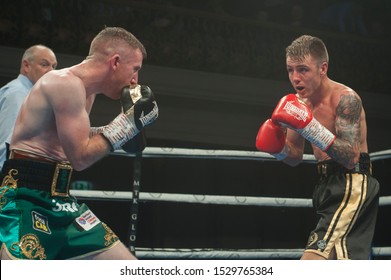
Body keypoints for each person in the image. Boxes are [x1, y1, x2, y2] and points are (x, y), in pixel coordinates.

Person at [0, 27, 158, 260]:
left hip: (61, 201)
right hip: (24, 197)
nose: (135, 80)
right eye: (135, 69)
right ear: (115, 62)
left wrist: (130, 126)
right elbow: (81, 157)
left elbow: (76, 139)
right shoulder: (63, 83)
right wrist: (126, 124)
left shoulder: (86, 92)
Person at [256, 35, 379, 260]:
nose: (295, 77)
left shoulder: (345, 99)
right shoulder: (299, 103)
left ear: (323, 68)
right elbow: (295, 156)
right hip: (325, 185)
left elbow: (351, 156)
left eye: (303, 70)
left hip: (352, 182)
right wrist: (278, 148)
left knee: (313, 261)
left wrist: (309, 126)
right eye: (290, 70)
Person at [0, 45, 57, 170]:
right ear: (26, 66)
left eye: (54, 66)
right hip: (8, 179)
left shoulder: (30, 95)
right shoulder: (18, 94)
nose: (51, 71)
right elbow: (7, 144)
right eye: (44, 64)